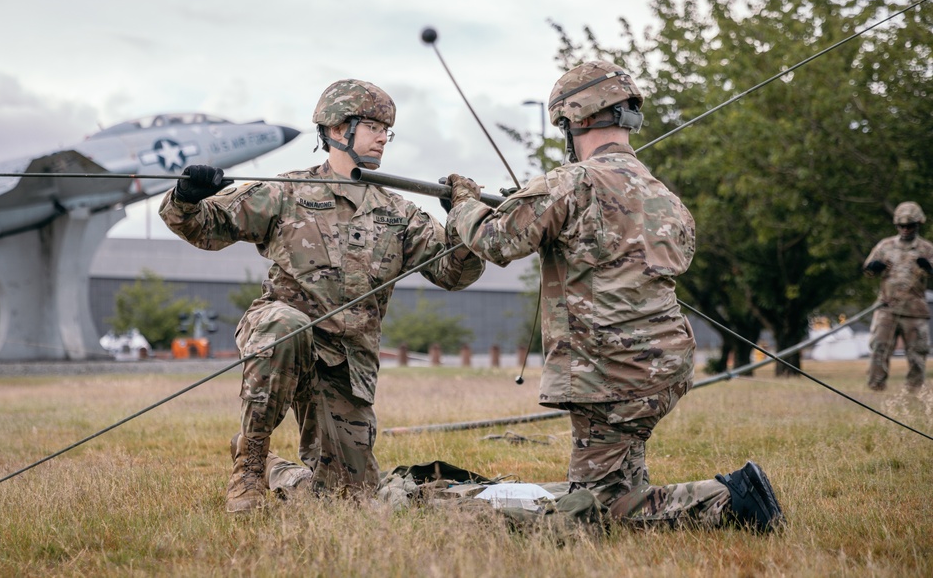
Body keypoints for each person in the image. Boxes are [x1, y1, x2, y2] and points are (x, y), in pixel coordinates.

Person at [442, 60, 783, 532]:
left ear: (575, 120)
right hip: (663, 367)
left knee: (594, 510)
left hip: (609, 375)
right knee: (619, 485)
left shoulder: (571, 182)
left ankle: (733, 498)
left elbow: (497, 241)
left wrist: (463, 204)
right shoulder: (664, 195)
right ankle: (643, 492)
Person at [160, 79, 485, 513]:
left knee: (349, 501)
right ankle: (251, 465)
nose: (383, 135)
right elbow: (205, 226)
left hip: (347, 366)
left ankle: (277, 470)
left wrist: (465, 221)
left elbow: (453, 274)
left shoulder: (399, 213)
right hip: (284, 337)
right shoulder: (287, 192)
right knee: (284, 324)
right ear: (335, 130)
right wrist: (186, 197)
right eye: (372, 126)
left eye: (387, 128)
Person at [862, 201, 933, 392]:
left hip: (915, 310)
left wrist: (928, 267)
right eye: (901, 226)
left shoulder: (927, 249)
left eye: (910, 225)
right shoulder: (885, 246)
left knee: (918, 354)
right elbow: (868, 271)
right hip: (887, 307)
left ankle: (914, 391)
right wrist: (873, 268)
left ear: (918, 225)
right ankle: (876, 388)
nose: (906, 229)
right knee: (879, 348)